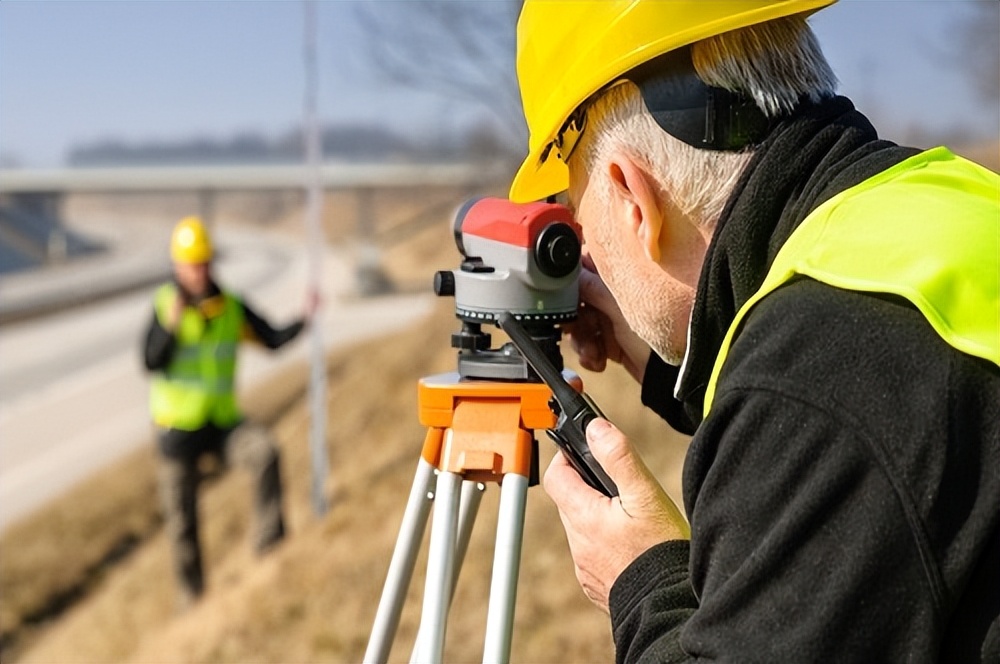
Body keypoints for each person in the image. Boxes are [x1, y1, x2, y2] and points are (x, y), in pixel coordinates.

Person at [508, 1, 999, 661]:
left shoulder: (821, 373)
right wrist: (662, 361)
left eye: (576, 210)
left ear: (631, 194)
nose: (589, 250)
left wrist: (643, 579)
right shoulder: (941, 207)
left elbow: (822, 411)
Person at [142, 215, 314, 607]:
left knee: (265, 453)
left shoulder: (230, 308)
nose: (198, 271)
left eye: (203, 262)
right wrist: (169, 327)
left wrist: (305, 318)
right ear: (177, 266)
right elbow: (150, 361)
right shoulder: (164, 306)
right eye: (190, 263)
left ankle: (270, 553)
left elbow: (271, 338)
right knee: (182, 524)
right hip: (177, 433)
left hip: (221, 424)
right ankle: (193, 602)